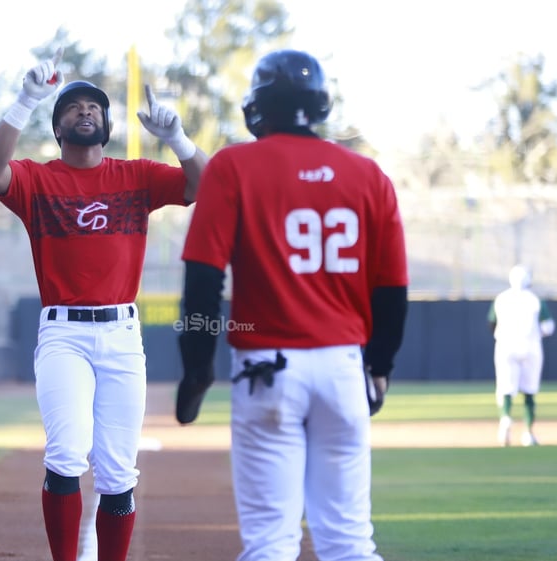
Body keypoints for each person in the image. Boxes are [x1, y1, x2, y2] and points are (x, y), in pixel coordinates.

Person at [0, 46, 208, 561]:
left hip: (123, 335)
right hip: (63, 334)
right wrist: (24, 101)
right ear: (59, 129)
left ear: (105, 125)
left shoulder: (138, 175)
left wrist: (177, 138)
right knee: (65, 453)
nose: (86, 111)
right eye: (73, 108)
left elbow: (206, 186)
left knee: (119, 469)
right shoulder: (38, 179)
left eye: (95, 108)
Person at [174, 49, 409, 561]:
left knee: (270, 544)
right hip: (345, 369)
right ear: (319, 105)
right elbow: (392, 290)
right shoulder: (368, 175)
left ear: (259, 106)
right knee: (349, 542)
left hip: (267, 369)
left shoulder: (234, 165)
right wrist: (381, 365)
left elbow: (203, 282)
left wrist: (195, 369)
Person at [488, 265, 555, 447]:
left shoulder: (501, 299)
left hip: (505, 347)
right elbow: (548, 327)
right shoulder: (534, 300)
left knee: (506, 387)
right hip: (530, 347)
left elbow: (492, 323)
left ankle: (506, 419)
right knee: (529, 390)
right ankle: (528, 433)